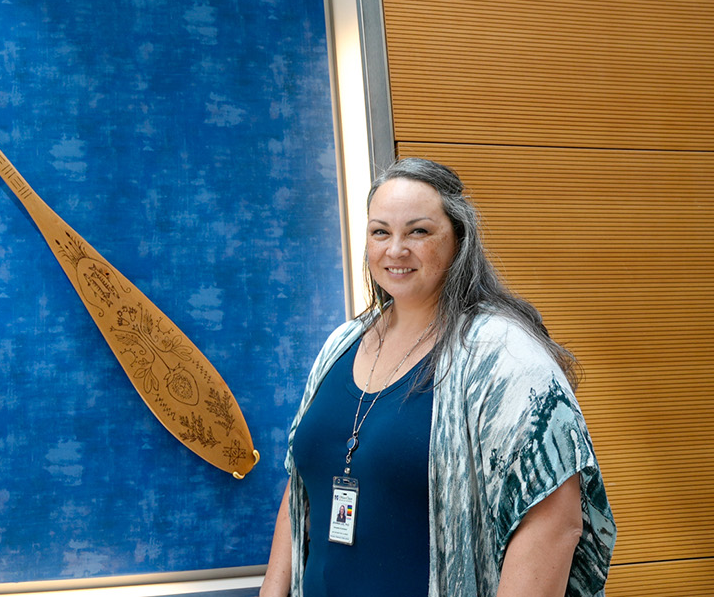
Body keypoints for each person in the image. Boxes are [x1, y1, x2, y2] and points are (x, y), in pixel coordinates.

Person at [259, 158, 614, 597]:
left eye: (419, 231)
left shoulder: (502, 355)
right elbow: (301, 488)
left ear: (458, 240)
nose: (395, 249)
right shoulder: (341, 343)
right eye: (380, 232)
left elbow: (556, 522)